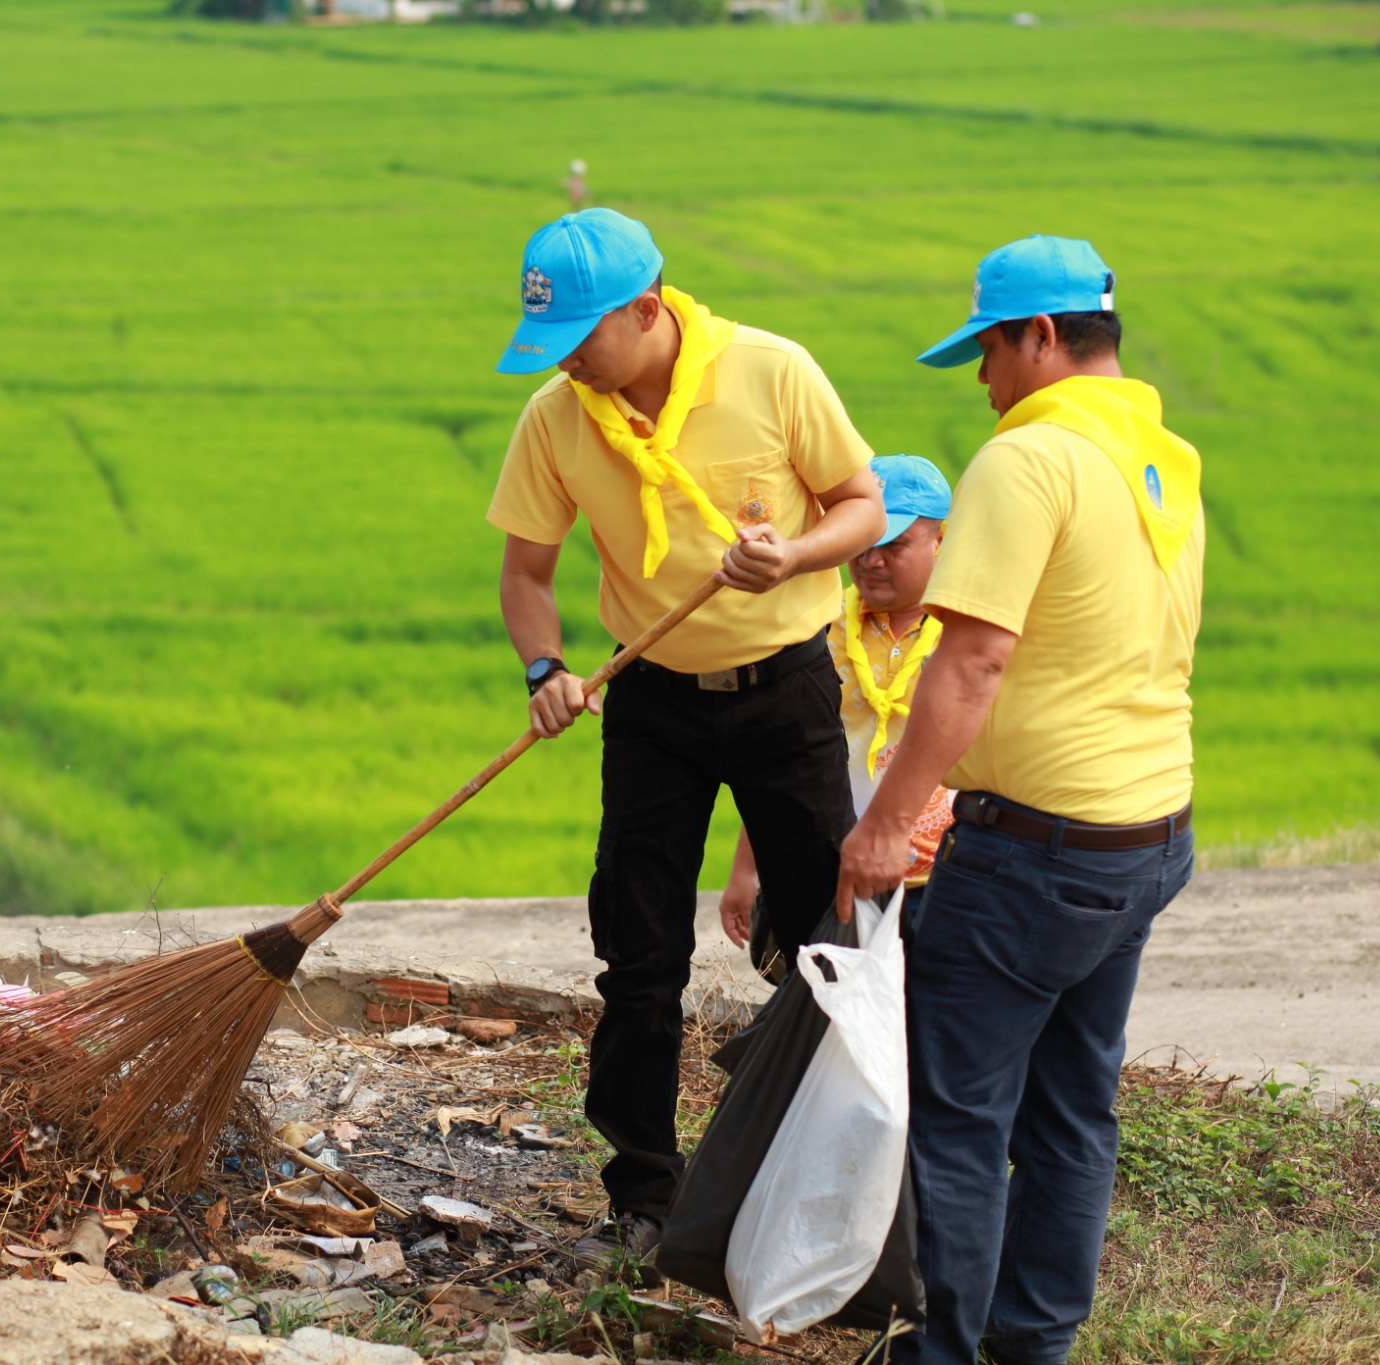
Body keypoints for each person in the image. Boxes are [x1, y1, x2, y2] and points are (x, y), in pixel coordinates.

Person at [487, 207, 885, 1261]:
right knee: (637, 948)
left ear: (646, 309)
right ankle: (645, 1191)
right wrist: (546, 669)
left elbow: (861, 506)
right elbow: (526, 575)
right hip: (652, 700)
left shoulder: (770, 371)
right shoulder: (557, 415)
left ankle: (813, 1173)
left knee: (818, 941)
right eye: (553, 344)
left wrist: (795, 557)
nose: (567, 360)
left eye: (582, 337)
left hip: (786, 689)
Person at [836, 235, 1204, 1365]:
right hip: (1144, 836)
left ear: (1038, 337)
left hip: (1034, 855)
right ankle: (1031, 1346)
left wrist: (885, 822)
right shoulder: (1161, 454)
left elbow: (969, 661)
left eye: (988, 351)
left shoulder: (1027, 458)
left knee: (953, 1118)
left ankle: (940, 1355)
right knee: (1072, 1111)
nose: (983, 381)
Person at [717, 454, 956, 980]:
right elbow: (782, 757)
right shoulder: (814, 629)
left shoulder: (971, 640)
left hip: (946, 876)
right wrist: (746, 870)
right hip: (835, 868)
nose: (872, 561)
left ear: (943, 541)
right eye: (862, 545)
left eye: (893, 546)